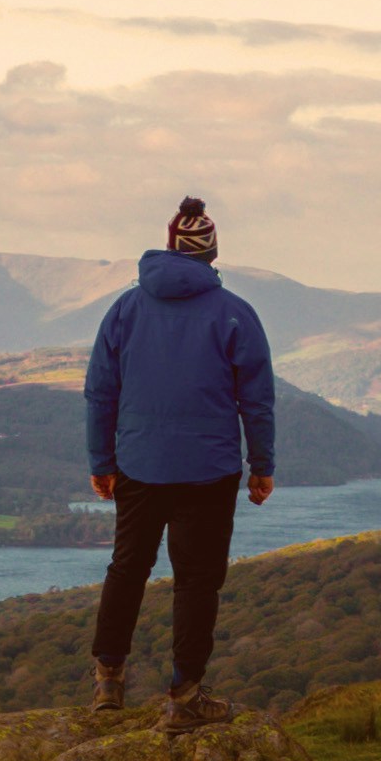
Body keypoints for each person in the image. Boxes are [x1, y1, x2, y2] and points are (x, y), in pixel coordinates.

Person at [84, 194, 277, 728]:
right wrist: (262, 464)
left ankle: (108, 682)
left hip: (138, 465)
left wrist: (102, 460)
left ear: (169, 249)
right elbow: (255, 399)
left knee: (127, 569)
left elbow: (101, 391)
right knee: (196, 581)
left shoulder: (125, 309)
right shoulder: (235, 313)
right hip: (209, 471)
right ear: (212, 254)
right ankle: (185, 697)